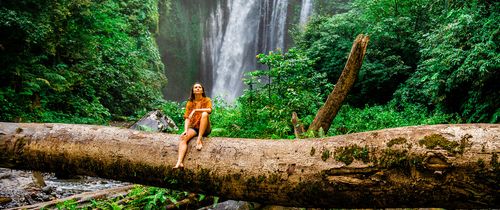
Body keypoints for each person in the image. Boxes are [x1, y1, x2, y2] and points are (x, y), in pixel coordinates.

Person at [173, 83, 212, 169]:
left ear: (202, 90)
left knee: (205, 114)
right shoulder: (190, 103)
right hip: (194, 128)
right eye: (195, 87)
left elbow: (209, 110)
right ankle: (179, 162)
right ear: (193, 91)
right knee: (183, 138)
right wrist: (186, 130)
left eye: (199, 87)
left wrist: (195, 110)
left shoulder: (207, 100)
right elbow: (187, 118)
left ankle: (199, 139)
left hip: (205, 128)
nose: (197, 88)